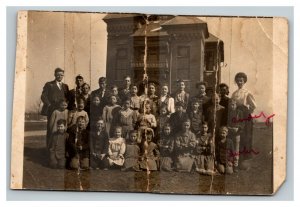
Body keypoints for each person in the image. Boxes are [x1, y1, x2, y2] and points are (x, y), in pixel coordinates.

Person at [231, 72, 257, 170]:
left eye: (241, 80)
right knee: (237, 137)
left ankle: (244, 162)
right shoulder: (234, 93)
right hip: (237, 116)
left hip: (245, 117)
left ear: (244, 81)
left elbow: (254, 105)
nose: (239, 82)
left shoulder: (247, 93)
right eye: (237, 81)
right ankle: (237, 160)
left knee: (245, 138)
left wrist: (246, 112)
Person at [41, 68, 69, 149]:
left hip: (63, 111)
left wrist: (66, 105)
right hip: (52, 111)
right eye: (58, 75)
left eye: (61, 75)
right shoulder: (49, 84)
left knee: (62, 129)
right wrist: (49, 104)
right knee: (51, 129)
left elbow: (67, 98)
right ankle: (50, 149)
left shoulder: (65, 86)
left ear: (63, 76)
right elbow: (43, 96)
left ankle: (61, 149)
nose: (59, 76)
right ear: (55, 75)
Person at [227, 99, 245, 172]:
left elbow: (242, 123)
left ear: (236, 105)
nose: (232, 106)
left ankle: (236, 165)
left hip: (237, 134)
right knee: (230, 149)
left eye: (233, 104)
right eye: (231, 105)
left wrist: (238, 128)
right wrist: (229, 128)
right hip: (229, 133)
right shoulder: (228, 113)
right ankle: (229, 163)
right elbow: (226, 122)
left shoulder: (239, 112)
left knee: (236, 150)